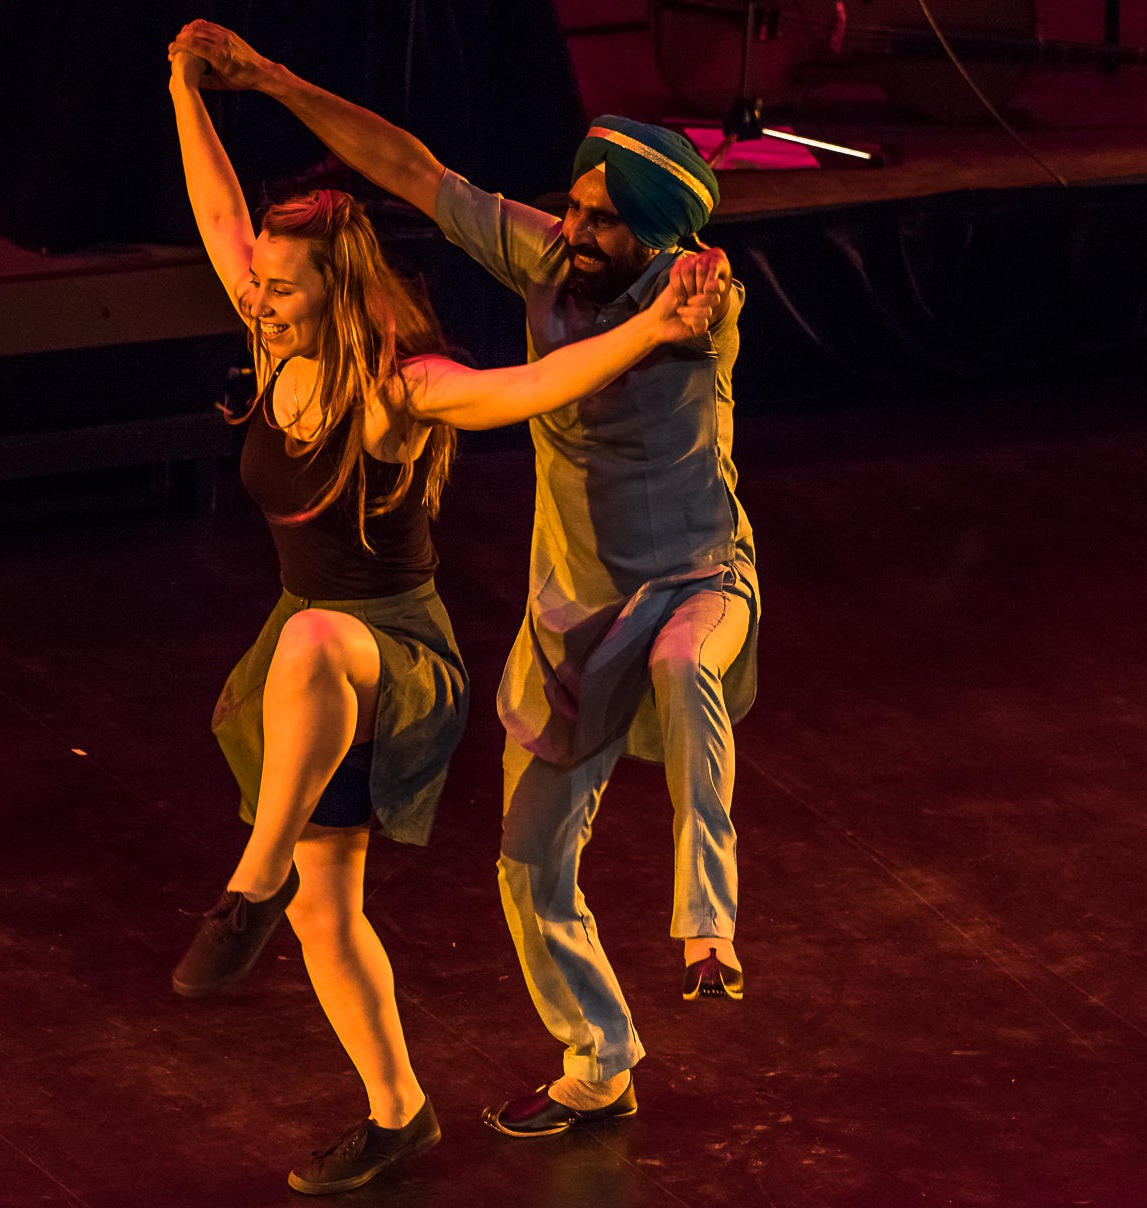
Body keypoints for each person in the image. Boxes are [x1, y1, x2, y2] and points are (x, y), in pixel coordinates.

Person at [168, 21, 760, 1141]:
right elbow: (408, 172)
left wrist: (687, 308)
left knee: (685, 669)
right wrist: (244, 80)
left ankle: (708, 927)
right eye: (573, 206)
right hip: (566, 614)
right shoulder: (520, 266)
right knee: (504, 871)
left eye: (601, 219)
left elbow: (545, 380)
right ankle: (559, 1069)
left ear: (662, 237)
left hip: (653, 593)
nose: (573, 228)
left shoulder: (682, 311)